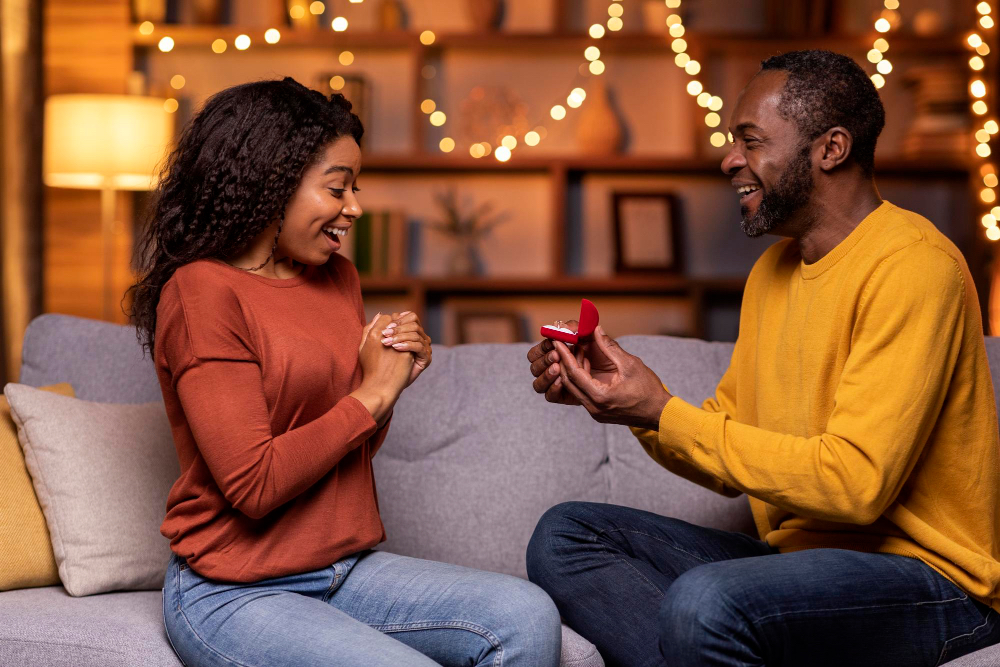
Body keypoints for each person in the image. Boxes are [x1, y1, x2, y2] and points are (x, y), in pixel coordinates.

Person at [524, 50, 1000, 666]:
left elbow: (856, 485)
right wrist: (631, 402)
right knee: (565, 536)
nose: (729, 160)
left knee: (706, 601)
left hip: (932, 580)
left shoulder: (914, 266)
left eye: (750, 141)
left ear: (831, 149)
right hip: (794, 567)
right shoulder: (772, 272)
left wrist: (661, 409)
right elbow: (725, 451)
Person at [126, 77, 561, 667]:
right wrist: (374, 393)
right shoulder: (201, 291)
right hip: (233, 589)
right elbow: (254, 486)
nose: (354, 207)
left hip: (343, 569)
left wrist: (391, 381)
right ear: (271, 183)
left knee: (526, 614)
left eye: (356, 187)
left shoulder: (338, 279)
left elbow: (348, 449)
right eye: (337, 188)